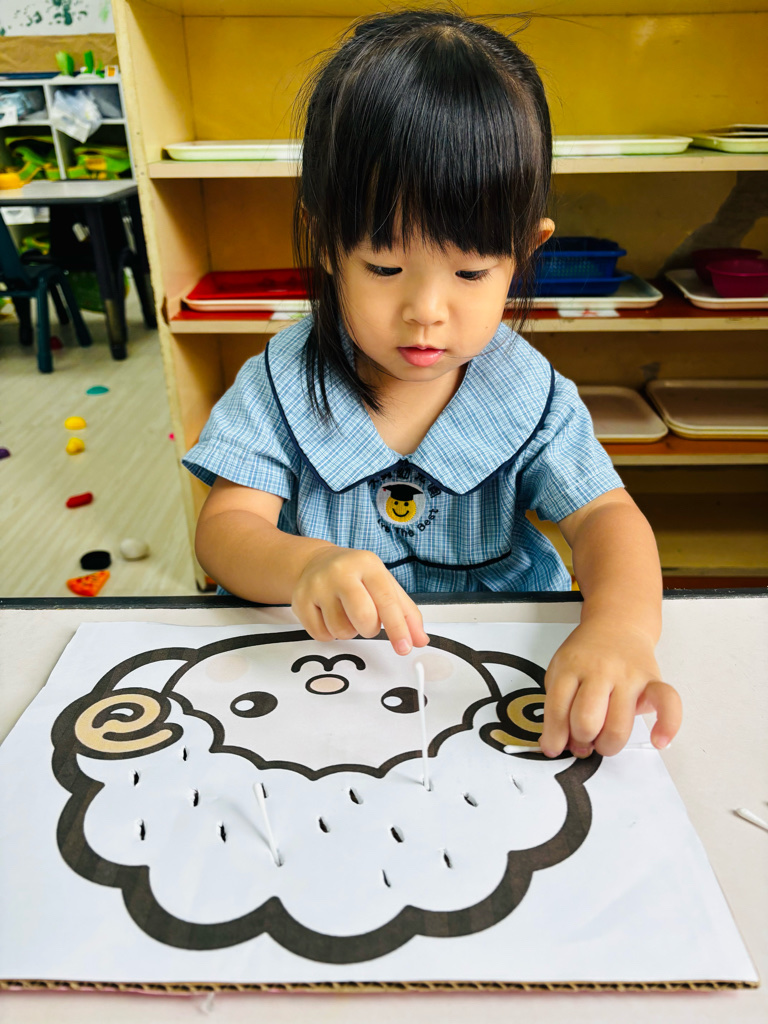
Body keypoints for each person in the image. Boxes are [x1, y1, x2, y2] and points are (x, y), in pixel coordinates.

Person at [183, 6, 682, 760]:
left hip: (494, 686)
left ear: (525, 251)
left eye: (472, 272)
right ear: (329, 244)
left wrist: (619, 628)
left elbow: (607, 518)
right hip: (319, 681)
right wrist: (303, 564)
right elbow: (226, 531)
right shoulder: (279, 384)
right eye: (384, 267)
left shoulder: (530, 393)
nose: (426, 311)